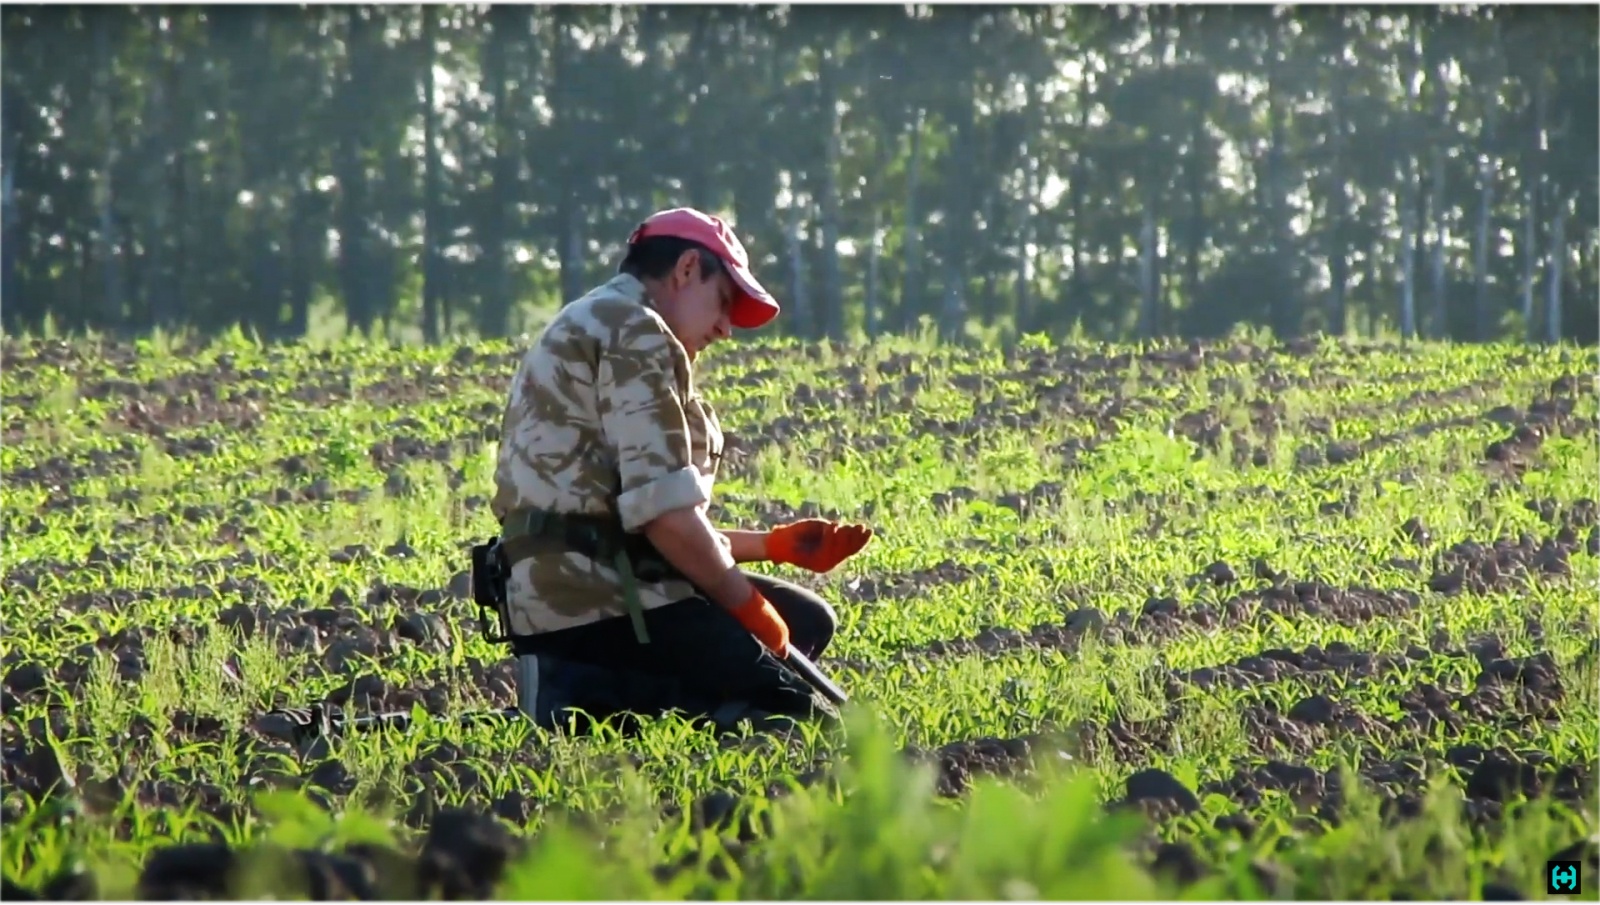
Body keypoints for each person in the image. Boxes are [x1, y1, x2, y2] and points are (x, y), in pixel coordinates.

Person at [487, 206, 873, 735]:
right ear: (687, 268)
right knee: (800, 724)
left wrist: (769, 546)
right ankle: (580, 696)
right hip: (598, 602)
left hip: (567, 586)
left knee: (804, 621)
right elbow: (665, 520)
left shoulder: (598, 317)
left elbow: (624, 517)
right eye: (724, 302)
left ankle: (586, 690)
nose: (726, 328)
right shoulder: (635, 331)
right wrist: (745, 606)